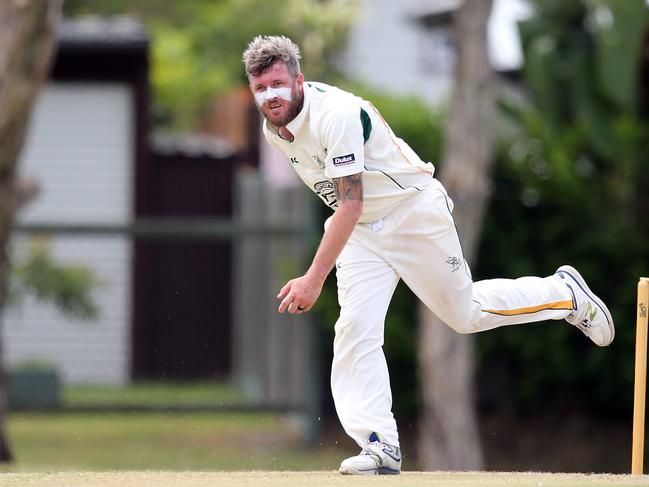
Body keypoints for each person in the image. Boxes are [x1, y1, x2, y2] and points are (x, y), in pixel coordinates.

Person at [242, 35, 614, 475]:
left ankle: (564, 294)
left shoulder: (334, 115)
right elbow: (351, 209)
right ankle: (380, 445)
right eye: (261, 89)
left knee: (465, 314)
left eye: (278, 84)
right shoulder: (274, 130)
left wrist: (313, 277)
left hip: (411, 213)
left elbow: (350, 202)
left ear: (299, 80)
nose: (271, 96)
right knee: (355, 328)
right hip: (362, 232)